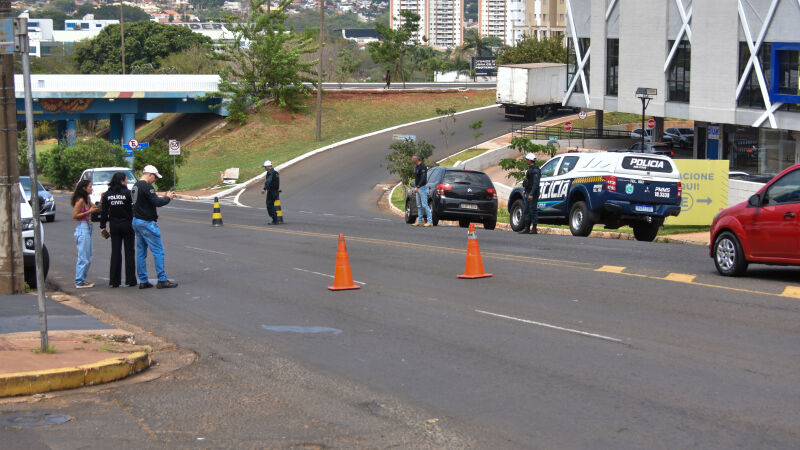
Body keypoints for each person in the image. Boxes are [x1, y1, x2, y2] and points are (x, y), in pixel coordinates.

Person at [131, 165, 178, 289]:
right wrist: (168, 198)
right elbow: (157, 202)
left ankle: (143, 280)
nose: (155, 179)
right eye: (155, 177)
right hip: (147, 222)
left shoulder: (135, 186)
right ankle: (162, 279)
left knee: (141, 252)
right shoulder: (147, 186)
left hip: (137, 220)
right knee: (158, 250)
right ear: (150, 174)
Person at [100, 172, 136, 288]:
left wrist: (102, 226)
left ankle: (114, 281)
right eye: (125, 180)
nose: (126, 182)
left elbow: (104, 212)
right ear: (121, 181)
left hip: (114, 226)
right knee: (129, 252)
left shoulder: (107, 195)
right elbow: (133, 209)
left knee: (115, 252)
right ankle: (131, 280)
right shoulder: (127, 193)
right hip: (127, 225)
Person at [71, 179, 100, 288]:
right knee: (83, 257)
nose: (91, 188)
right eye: (90, 186)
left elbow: (96, 209)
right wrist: (89, 212)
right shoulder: (81, 200)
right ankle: (79, 281)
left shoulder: (87, 199)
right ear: (84, 188)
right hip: (82, 227)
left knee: (89, 256)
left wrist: (102, 201)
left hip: (87, 227)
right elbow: (75, 215)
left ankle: (82, 280)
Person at [518, 153, 541, 234]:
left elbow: (535, 183)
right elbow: (528, 182)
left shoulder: (535, 170)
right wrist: (525, 190)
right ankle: (527, 228)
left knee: (533, 210)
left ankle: (534, 228)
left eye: (526, 159)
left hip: (533, 194)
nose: (526, 160)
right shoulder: (530, 169)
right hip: (528, 192)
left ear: (529, 160)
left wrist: (531, 194)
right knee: (527, 210)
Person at [412, 154, 433, 227]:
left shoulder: (422, 167)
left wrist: (418, 186)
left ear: (417, 159)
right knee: (419, 205)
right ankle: (420, 221)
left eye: (413, 158)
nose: (412, 159)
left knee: (425, 205)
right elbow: (417, 179)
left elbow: (423, 179)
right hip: (417, 188)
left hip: (422, 188)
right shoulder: (417, 167)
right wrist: (415, 186)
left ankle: (430, 221)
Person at [260, 160, 282, 225]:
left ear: (268, 166)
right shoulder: (276, 172)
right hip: (276, 191)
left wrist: (264, 188)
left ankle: (275, 219)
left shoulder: (270, 172)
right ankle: (276, 219)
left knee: (269, 205)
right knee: (271, 205)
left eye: (265, 167)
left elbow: (268, 181)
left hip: (272, 191)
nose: (265, 168)